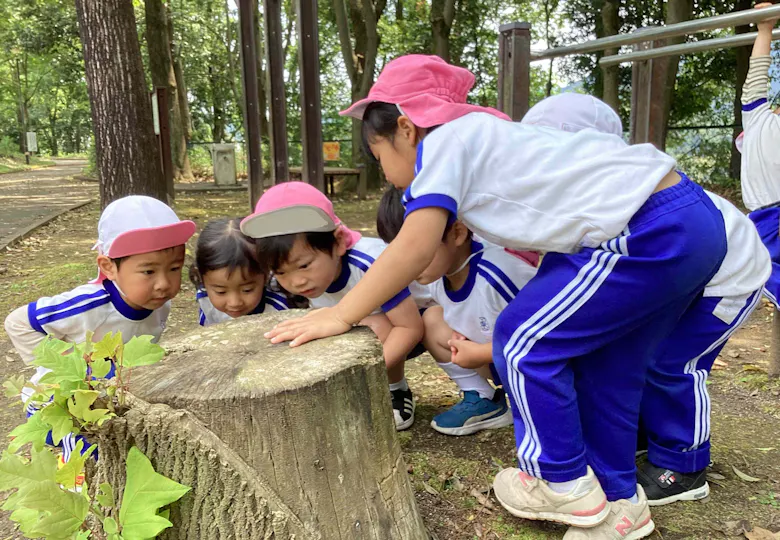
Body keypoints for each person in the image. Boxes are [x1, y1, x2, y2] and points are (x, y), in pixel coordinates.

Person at [264, 54, 730, 538]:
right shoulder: (492, 144)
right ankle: (618, 505)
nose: (384, 173)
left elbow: (416, 243)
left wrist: (341, 314)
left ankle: (562, 482)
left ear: (405, 128)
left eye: (377, 154)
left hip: (645, 228)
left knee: (521, 340)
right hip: (689, 222)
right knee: (607, 367)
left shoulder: (443, 142)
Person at [523, 92, 771, 507]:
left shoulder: (627, 187)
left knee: (674, 363)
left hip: (728, 280)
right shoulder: (580, 195)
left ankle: (684, 464)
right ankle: (644, 430)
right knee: (632, 353)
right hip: (675, 278)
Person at [4, 195, 195, 458]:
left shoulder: (158, 303)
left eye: (174, 268)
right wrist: (69, 369)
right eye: (149, 272)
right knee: (90, 457)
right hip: (61, 405)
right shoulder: (88, 306)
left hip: (108, 398)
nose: (164, 283)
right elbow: (18, 322)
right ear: (109, 267)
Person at [240, 181, 425, 431]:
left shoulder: (369, 264)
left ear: (338, 242)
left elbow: (409, 328)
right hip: (372, 319)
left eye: (304, 265)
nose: (296, 281)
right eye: (281, 272)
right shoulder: (310, 277)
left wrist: (364, 376)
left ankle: (395, 390)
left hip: (424, 322)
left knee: (375, 326)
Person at [377, 186, 537, 436]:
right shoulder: (434, 277)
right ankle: (483, 398)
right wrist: (463, 332)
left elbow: (548, 337)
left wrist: (483, 352)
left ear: (457, 232)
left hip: (539, 366)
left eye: (416, 250)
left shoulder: (500, 274)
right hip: (499, 359)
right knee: (432, 318)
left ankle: (537, 410)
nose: (406, 264)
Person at [737, 3, 780, 308]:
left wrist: (764, 28)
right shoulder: (759, 119)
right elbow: (757, 74)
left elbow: (757, 72)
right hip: (764, 220)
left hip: (762, 221)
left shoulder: (757, 118)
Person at [191, 217, 290, 327]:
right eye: (220, 292)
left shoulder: (280, 308)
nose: (234, 303)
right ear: (202, 279)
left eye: (247, 290)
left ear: (266, 275)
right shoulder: (205, 299)